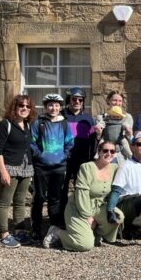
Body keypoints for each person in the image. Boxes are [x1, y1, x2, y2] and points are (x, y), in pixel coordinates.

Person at [43, 141, 123, 251]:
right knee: (85, 245)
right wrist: (88, 216)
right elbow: (81, 194)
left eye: (112, 151)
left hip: (98, 207)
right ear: (99, 152)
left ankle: (94, 233)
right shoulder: (87, 167)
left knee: (118, 216)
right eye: (105, 150)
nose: (109, 153)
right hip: (78, 207)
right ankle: (57, 232)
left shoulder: (115, 168)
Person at [0, 95, 37, 248]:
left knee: (20, 202)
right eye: (21, 105)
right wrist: (3, 172)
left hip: (26, 170)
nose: (24, 108)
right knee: (4, 202)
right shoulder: (5, 125)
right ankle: (4, 235)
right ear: (15, 107)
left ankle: (19, 231)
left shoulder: (28, 125)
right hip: (9, 168)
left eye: (28, 106)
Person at [30, 93, 74, 239]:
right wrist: (39, 155)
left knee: (55, 198)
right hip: (41, 167)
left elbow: (69, 143)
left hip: (59, 167)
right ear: (45, 107)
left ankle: (53, 228)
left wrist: (64, 155)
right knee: (40, 197)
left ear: (60, 107)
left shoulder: (64, 123)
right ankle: (36, 228)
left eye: (56, 105)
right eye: (50, 105)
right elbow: (32, 141)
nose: (53, 108)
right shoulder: (38, 122)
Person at [61, 87, 98, 217]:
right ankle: (60, 217)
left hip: (82, 160)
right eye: (74, 99)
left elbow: (93, 141)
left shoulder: (88, 119)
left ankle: (77, 215)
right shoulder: (61, 116)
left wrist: (91, 158)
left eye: (80, 100)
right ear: (69, 100)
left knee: (81, 189)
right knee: (61, 189)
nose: (77, 102)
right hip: (64, 159)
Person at [96, 91, 133, 162]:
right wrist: (98, 132)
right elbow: (98, 138)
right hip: (106, 154)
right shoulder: (101, 117)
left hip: (122, 155)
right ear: (108, 101)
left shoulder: (127, 117)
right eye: (114, 100)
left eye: (120, 101)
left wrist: (129, 133)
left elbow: (130, 138)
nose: (117, 103)